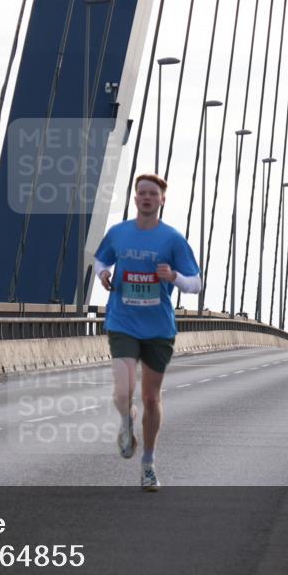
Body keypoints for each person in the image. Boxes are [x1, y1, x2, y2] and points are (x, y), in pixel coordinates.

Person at [94, 174, 201, 491]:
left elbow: (196, 283)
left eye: (152, 193)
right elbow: (101, 257)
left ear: (162, 200)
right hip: (123, 321)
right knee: (123, 391)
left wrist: (174, 277)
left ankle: (148, 464)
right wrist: (103, 272)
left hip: (158, 328)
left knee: (151, 398)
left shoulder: (172, 239)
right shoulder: (119, 233)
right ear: (135, 198)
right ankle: (127, 423)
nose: (146, 197)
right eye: (141, 193)